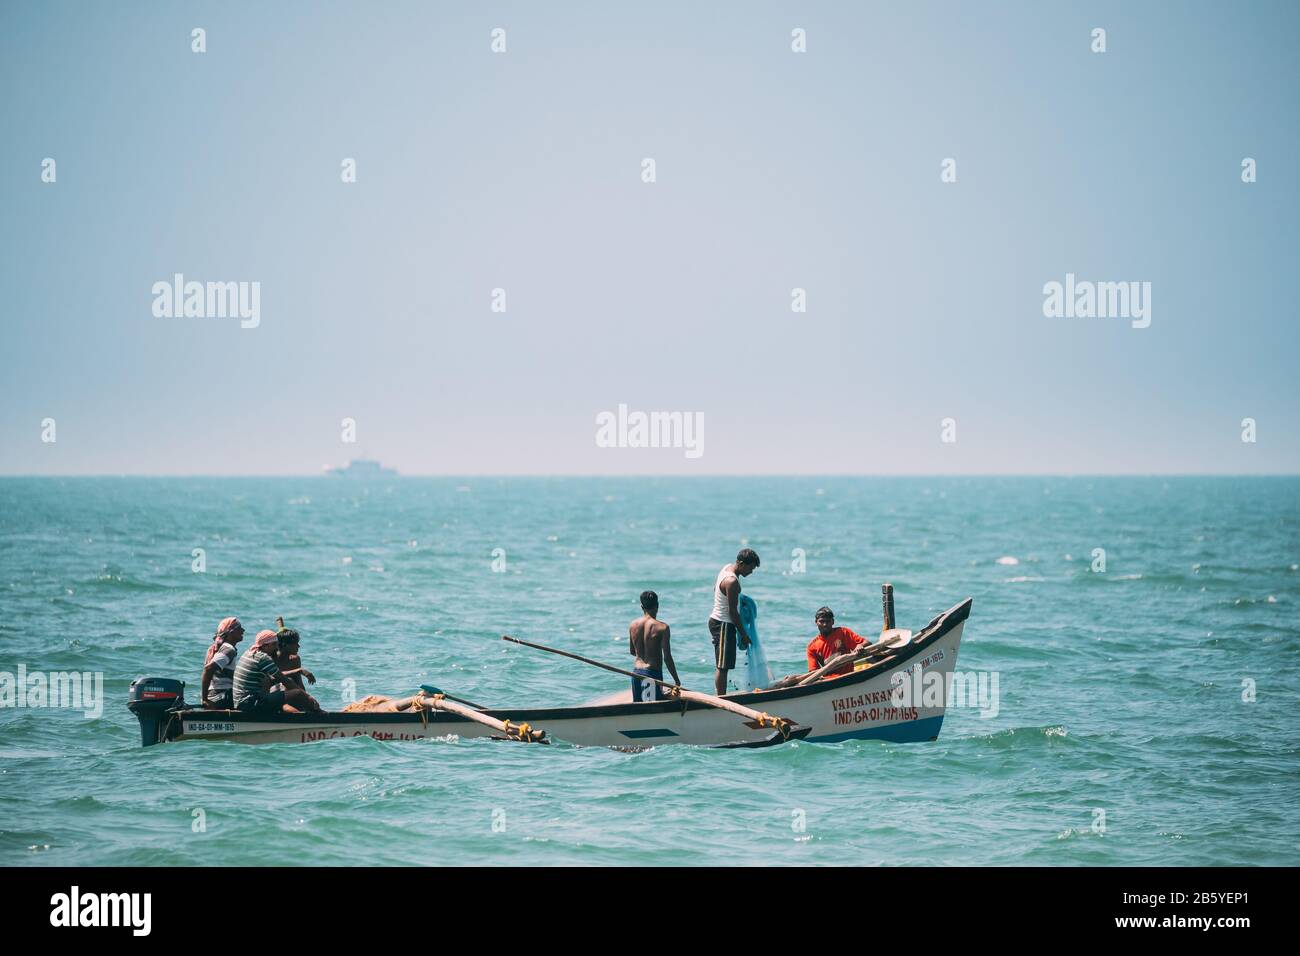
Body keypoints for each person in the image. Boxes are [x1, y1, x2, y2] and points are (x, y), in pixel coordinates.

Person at [232, 625, 322, 714]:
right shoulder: (263, 658)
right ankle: (321, 716)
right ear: (265, 646)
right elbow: (284, 680)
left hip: (243, 702)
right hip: (251, 703)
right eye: (274, 644)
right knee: (297, 693)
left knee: (294, 692)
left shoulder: (248, 653)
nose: (276, 647)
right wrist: (309, 698)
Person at [708, 548, 760, 695]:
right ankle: (721, 698)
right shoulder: (732, 581)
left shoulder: (727, 568)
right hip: (723, 624)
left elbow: (715, 589)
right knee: (723, 666)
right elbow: (732, 612)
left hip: (718, 620)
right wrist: (743, 633)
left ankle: (720, 694)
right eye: (751, 568)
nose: (751, 572)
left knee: (724, 664)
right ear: (742, 564)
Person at [628, 590, 680, 702]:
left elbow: (633, 651)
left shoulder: (633, 625)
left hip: (636, 673)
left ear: (641, 606)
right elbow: (667, 657)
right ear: (657, 605)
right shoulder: (663, 628)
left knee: (639, 709)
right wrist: (676, 681)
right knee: (652, 709)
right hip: (651, 674)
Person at [805, 606, 871, 678]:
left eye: (828, 621)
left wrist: (860, 645)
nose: (825, 624)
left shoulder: (843, 632)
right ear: (816, 622)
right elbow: (813, 671)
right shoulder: (812, 646)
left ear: (833, 621)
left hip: (848, 675)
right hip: (829, 680)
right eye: (822, 621)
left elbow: (867, 643)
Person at [201, 617, 244, 709]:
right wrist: (204, 699)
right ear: (231, 631)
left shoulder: (218, 648)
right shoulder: (228, 650)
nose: (243, 630)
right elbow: (208, 669)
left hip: (216, 695)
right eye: (239, 628)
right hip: (221, 696)